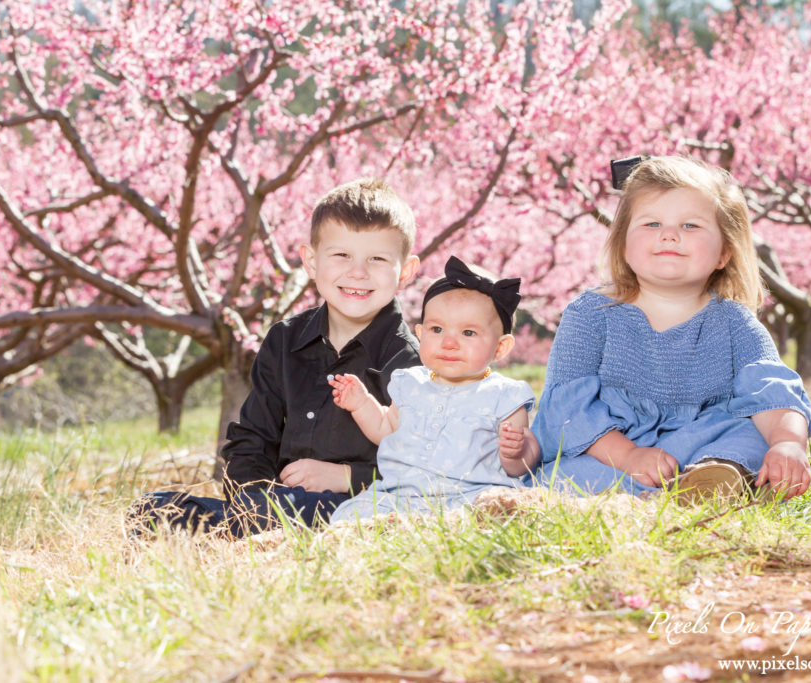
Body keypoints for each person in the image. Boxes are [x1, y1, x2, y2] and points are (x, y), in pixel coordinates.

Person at [128, 177, 421, 536]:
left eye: (377, 259)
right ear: (311, 262)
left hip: (359, 506)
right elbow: (253, 437)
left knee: (307, 513)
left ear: (405, 272)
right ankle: (257, 526)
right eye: (341, 255)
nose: (357, 272)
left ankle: (263, 527)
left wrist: (346, 477)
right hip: (276, 501)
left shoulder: (410, 362)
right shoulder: (285, 340)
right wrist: (250, 495)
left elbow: (424, 464)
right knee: (152, 510)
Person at [531, 155, 811, 503]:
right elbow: (566, 410)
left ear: (723, 253)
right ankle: (653, 495)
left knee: (750, 433)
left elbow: (772, 391)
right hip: (613, 450)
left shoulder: (734, 324)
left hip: (701, 445)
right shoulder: (591, 314)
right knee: (568, 472)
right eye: (651, 224)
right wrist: (630, 456)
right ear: (623, 243)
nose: (668, 235)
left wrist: (787, 443)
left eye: (690, 226)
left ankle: (713, 478)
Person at [326, 256, 539, 522]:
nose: (449, 343)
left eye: (468, 333)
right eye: (437, 329)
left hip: (468, 494)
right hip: (400, 495)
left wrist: (517, 452)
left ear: (500, 347)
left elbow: (522, 464)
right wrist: (361, 404)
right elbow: (386, 429)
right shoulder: (411, 384)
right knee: (351, 518)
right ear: (420, 333)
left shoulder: (504, 396)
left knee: (488, 515)